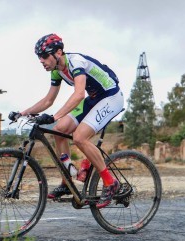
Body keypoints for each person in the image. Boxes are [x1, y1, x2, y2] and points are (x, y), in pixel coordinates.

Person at [9, 33, 124, 208]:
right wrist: (23, 113)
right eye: (40, 59)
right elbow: (49, 100)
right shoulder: (56, 70)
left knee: (79, 138)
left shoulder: (76, 62)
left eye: (45, 57)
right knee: (60, 130)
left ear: (58, 52)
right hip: (94, 98)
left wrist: (55, 116)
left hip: (110, 97)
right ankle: (67, 182)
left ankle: (110, 182)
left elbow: (78, 94)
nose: (42, 61)